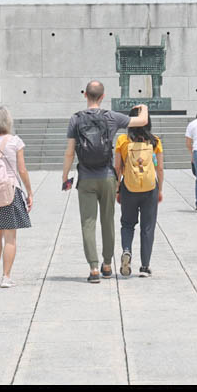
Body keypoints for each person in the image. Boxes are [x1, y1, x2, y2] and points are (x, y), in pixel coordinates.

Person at [62, 80, 149, 283]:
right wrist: (143, 107)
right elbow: (142, 121)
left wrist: (65, 175)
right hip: (108, 177)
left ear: (85, 95)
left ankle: (93, 268)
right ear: (102, 96)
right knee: (107, 221)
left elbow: (69, 152)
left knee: (88, 223)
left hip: (85, 178)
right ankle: (107, 265)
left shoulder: (75, 119)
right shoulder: (111, 117)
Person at [0, 106, 33, 288]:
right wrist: (29, 192)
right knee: (10, 235)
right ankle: (6, 276)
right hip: (10, 190)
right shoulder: (15, 141)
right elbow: (22, 170)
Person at [114, 107, 164, 278]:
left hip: (129, 186)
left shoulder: (122, 140)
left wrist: (117, 189)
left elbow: (118, 168)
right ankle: (144, 267)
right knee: (147, 227)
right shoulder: (155, 141)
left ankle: (127, 250)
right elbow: (160, 169)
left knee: (127, 224)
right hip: (150, 188)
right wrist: (160, 190)